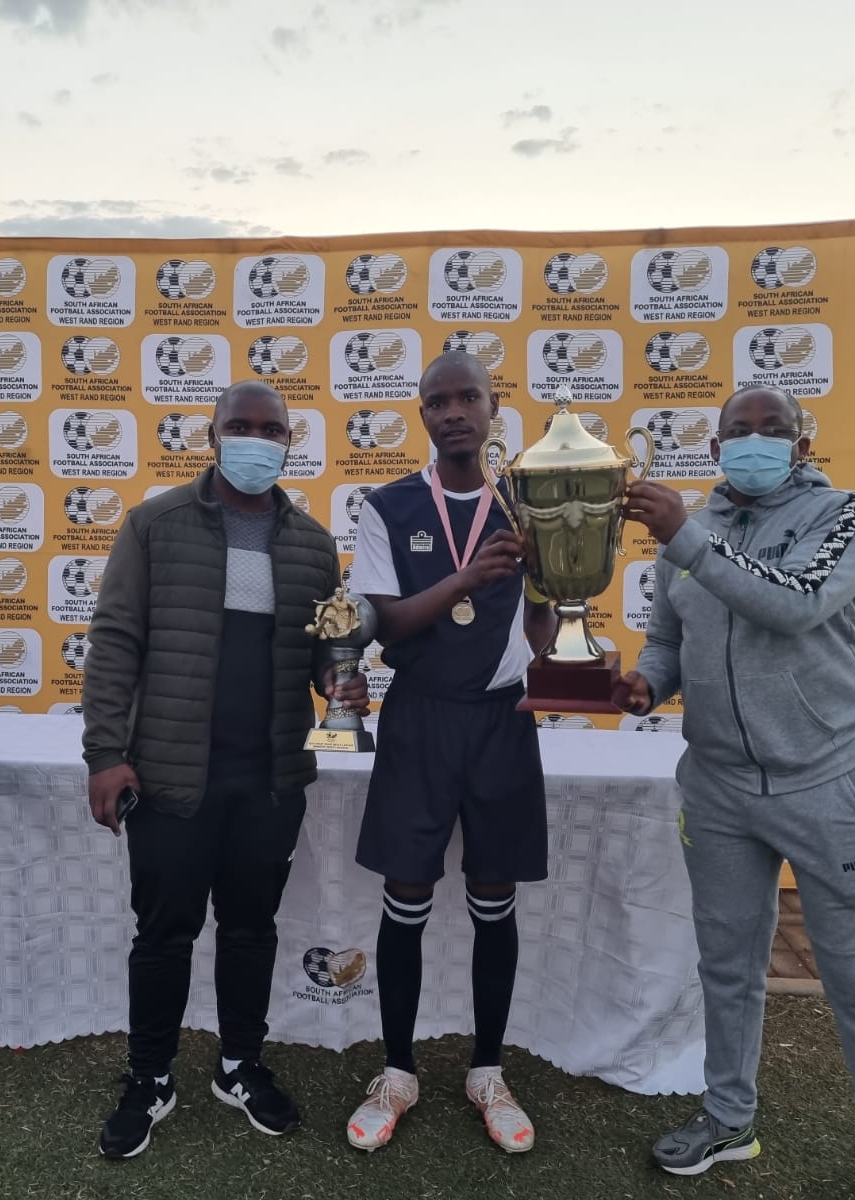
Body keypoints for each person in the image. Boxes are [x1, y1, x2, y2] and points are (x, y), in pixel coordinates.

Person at [616, 385, 855, 1199]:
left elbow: (796, 603)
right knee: (726, 965)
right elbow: (667, 639)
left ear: (801, 443)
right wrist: (647, 684)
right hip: (718, 786)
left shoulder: (844, 515)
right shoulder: (693, 530)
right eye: (740, 431)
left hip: (827, 780)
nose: (757, 441)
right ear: (717, 447)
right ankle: (729, 1119)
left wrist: (686, 538)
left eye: (773, 429)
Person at [82, 379, 370, 1160]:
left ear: (288, 442)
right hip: (170, 778)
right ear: (211, 437)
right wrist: (105, 755)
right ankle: (150, 1077)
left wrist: (342, 683)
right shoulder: (154, 525)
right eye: (239, 426)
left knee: (250, 931)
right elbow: (115, 644)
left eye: (271, 429)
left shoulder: (313, 545)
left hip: (268, 781)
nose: (255, 440)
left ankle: (239, 1064)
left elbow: (326, 653)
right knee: (162, 934)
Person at [342, 351, 554, 1155]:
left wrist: (549, 604)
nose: (455, 411)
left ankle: (487, 1071)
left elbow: (542, 624)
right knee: (407, 892)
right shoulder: (390, 506)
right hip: (420, 716)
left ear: (493, 407)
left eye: (469, 397)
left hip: (500, 719)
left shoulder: (527, 504)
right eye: (439, 401)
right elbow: (383, 624)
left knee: (494, 895)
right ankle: (397, 1071)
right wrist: (466, 579)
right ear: (423, 414)